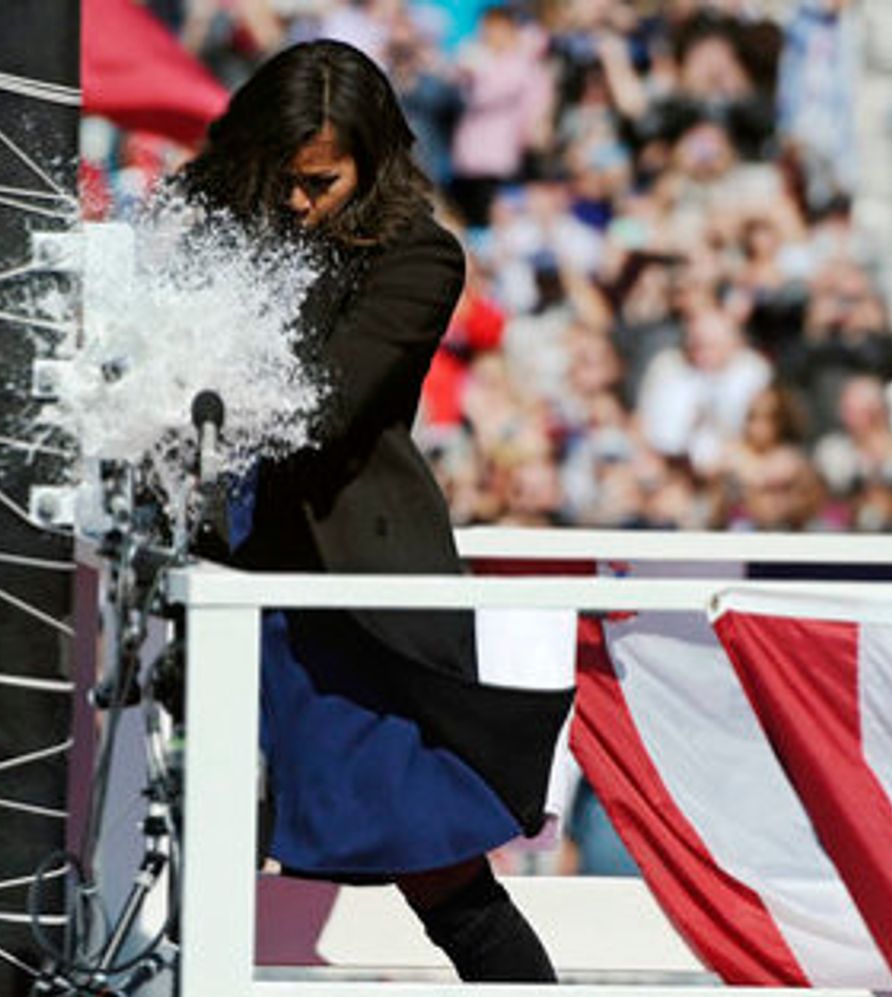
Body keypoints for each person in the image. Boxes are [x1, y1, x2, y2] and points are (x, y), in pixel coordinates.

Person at [179, 40, 570, 981]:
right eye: (276, 179)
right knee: (192, 853)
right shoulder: (206, 222)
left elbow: (328, 402)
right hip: (206, 587)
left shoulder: (420, 254)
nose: (293, 202)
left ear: (373, 160)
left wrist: (225, 330)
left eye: (318, 181)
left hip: (346, 613)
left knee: (443, 877)